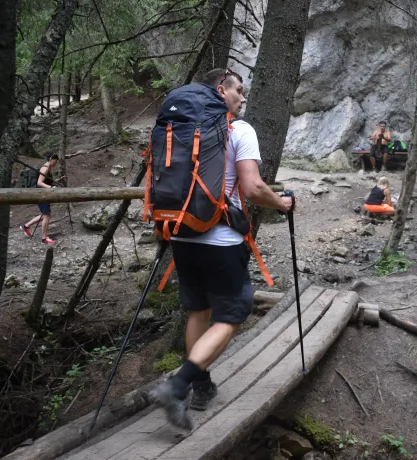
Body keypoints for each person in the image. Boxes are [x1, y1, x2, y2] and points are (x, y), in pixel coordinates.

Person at [150, 68, 294, 428]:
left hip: (180, 233)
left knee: (199, 310)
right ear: (220, 90)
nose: (243, 97)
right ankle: (178, 385)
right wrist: (283, 204)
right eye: (238, 90)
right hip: (220, 238)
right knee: (232, 315)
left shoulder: (178, 131)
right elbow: (253, 189)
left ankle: (201, 387)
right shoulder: (238, 130)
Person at [19, 152, 59, 245]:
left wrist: (58, 180)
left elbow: (47, 181)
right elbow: (39, 183)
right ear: (51, 159)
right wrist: (50, 188)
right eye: (55, 161)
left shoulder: (48, 168)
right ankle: (44, 238)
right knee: (46, 215)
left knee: (44, 214)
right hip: (41, 195)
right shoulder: (45, 168)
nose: (56, 163)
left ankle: (26, 226)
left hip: (43, 194)